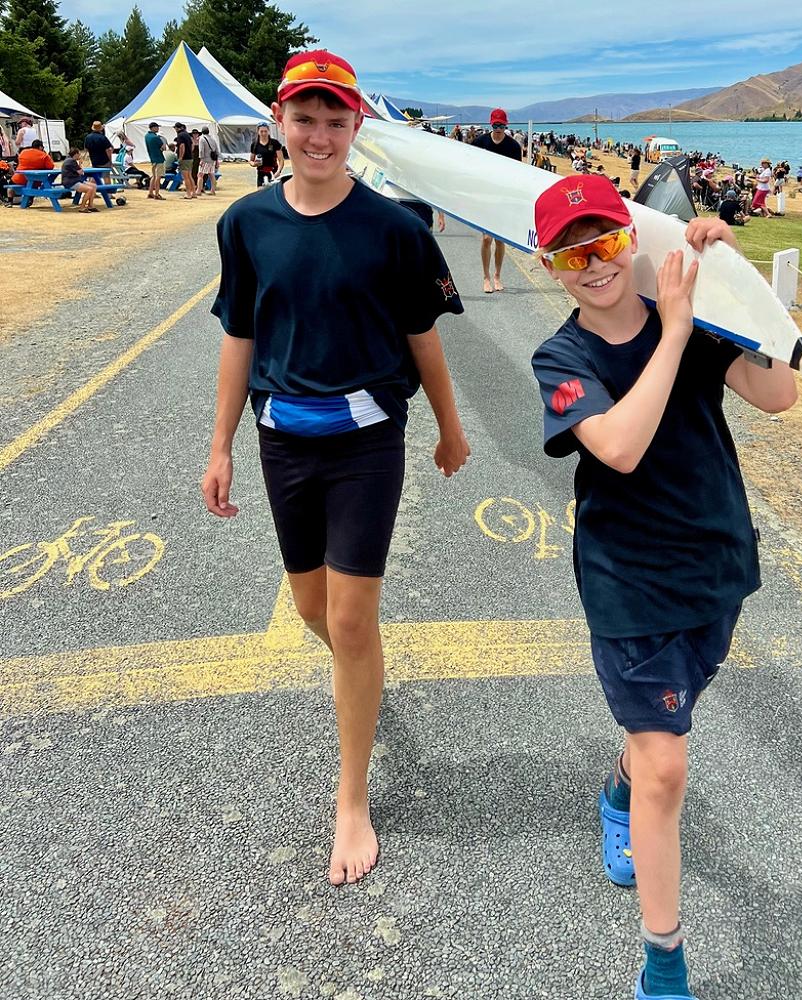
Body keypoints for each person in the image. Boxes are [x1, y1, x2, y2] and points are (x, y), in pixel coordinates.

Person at [202, 48, 470, 886]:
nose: (320, 135)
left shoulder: (397, 230)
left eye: (335, 120)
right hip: (283, 440)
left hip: (365, 441)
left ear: (359, 125)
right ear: (279, 123)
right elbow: (239, 336)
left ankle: (351, 797)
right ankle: (364, 671)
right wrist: (219, 447)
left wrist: (451, 430)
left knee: (351, 623)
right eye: (305, 118)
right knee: (315, 610)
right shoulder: (245, 224)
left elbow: (423, 335)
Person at [530, 173, 796, 1000]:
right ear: (550, 266)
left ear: (632, 241)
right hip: (628, 582)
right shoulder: (562, 356)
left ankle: (620, 789)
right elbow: (619, 447)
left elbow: (780, 394)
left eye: (607, 243)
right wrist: (676, 332)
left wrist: (739, 291)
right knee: (670, 768)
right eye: (572, 254)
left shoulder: (697, 319)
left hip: (715, 565)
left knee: (656, 749)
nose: (595, 265)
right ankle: (663, 967)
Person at [470, 108, 522, 293]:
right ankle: (485, 277)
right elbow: (470, 166)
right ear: (490, 124)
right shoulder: (479, 142)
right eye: (495, 124)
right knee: (486, 239)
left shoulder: (513, 147)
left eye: (502, 125)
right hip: (485, 196)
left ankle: (497, 276)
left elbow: (518, 175)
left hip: (504, 197)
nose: (498, 128)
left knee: (500, 240)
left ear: (506, 125)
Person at [8, 139, 53, 204]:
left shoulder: (23, 152)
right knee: (35, 184)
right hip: (35, 180)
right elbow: (51, 166)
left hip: (19, 178)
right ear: (40, 147)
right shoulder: (44, 155)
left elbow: (19, 161)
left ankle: (10, 201)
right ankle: (30, 199)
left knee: (10, 185)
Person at [60, 146, 99, 212]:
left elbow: (79, 171)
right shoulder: (72, 161)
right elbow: (81, 172)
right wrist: (80, 163)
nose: (80, 155)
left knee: (94, 186)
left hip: (74, 180)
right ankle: (82, 207)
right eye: (79, 154)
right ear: (75, 154)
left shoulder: (68, 159)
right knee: (90, 189)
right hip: (71, 182)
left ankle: (90, 206)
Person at [173, 122, 196, 199]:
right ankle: (194, 193)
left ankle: (188, 194)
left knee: (185, 177)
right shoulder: (187, 134)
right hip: (190, 157)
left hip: (185, 158)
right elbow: (192, 144)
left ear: (177, 128)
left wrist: (181, 157)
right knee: (190, 176)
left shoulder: (180, 135)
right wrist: (190, 152)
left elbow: (182, 146)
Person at [145, 122, 167, 200]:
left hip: (152, 158)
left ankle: (150, 192)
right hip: (159, 158)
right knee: (158, 177)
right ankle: (157, 194)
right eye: (157, 127)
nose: (158, 128)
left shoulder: (147, 136)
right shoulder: (156, 137)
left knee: (154, 176)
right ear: (153, 128)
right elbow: (163, 148)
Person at [197, 126, 219, 196]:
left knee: (200, 175)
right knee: (212, 175)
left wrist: (201, 159)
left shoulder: (202, 139)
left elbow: (201, 150)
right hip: (212, 160)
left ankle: (198, 190)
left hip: (205, 159)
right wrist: (217, 161)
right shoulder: (213, 139)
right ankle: (213, 190)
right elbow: (217, 151)